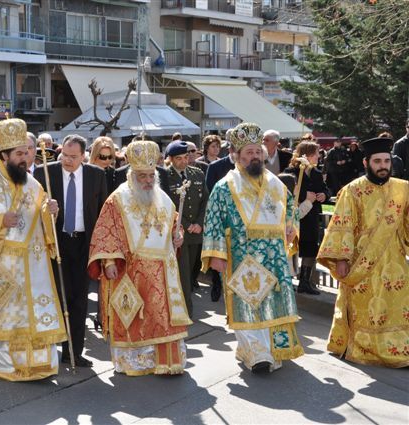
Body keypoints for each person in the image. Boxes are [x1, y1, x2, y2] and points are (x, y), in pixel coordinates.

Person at [0, 118, 67, 380]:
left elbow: (41, 217)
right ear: (3, 155)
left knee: (30, 315)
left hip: (32, 265)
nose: (25, 158)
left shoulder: (33, 184)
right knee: (1, 315)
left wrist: (50, 212)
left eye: (26, 152)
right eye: (18, 154)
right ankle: (1, 364)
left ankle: (34, 364)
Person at [201, 122, 304, 374]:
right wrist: (216, 255)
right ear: (237, 155)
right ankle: (256, 353)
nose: (254, 157)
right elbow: (213, 221)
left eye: (258, 152)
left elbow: (290, 209)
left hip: (275, 255)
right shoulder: (225, 186)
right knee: (248, 302)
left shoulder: (276, 184)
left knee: (273, 302)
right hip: (241, 256)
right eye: (248, 153)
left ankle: (274, 348)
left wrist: (291, 226)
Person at [87, 139, 192, 375]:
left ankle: (162, 361)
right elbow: (107, 231)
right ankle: (134, 361)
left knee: (161, 317)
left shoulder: (163, 199)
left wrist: (179, 237)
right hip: (130, 269)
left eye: (150, 176)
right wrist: (110, 261)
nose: (147, 181)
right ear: (132, 175)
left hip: (162, 271)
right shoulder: (118, 199)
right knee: (133, 315)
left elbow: (175, 225)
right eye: (142, 176)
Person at [317, 137, 409, 368]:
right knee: (364, 309)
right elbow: (342, 226)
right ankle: (361, 346)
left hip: (394, 260)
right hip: (361, 264)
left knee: (398, 307)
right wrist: (340, 259)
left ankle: (398, 348)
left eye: (386, 161)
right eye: (377, 161)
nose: (383, 166)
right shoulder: (352, 191)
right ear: (367, 162)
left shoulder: (402, 189)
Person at [34, 134, 108, 367]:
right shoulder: (45, 173)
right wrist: (48, 210)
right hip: (56, 242)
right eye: (64, 155)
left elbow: (102, 212)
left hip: (83, 243)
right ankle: (48, 350)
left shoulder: (96, 175)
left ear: (84, 156)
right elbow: (33, 210)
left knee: (79, 299)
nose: (67, 160)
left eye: (73, 157)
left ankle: (73, 352)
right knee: (56, 297)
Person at [165, 140, 211, 309]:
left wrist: (199, 223)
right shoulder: (165, 176)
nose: (184, 161)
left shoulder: (197, 173)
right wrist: (184, 225)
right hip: (178, 231)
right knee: (182, 271)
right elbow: (168, 205)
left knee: (192, 270)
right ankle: (185, 309)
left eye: (186, 157)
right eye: (179, 158)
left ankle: (184, 302)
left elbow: (205, 199)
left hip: (196, 231)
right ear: (170, 159)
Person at [283, 141, 330, 295]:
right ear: (308, 154)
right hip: (295, 217)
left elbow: (325, 189)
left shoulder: (316, 173)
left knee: (310, 248)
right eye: (316, 153)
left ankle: (305, 281)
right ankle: (288, 279)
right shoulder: (291, 171)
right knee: (291, 247)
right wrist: (305, 197)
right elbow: (287, 191)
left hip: (311, 217)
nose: (318, 156)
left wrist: (324, 195)